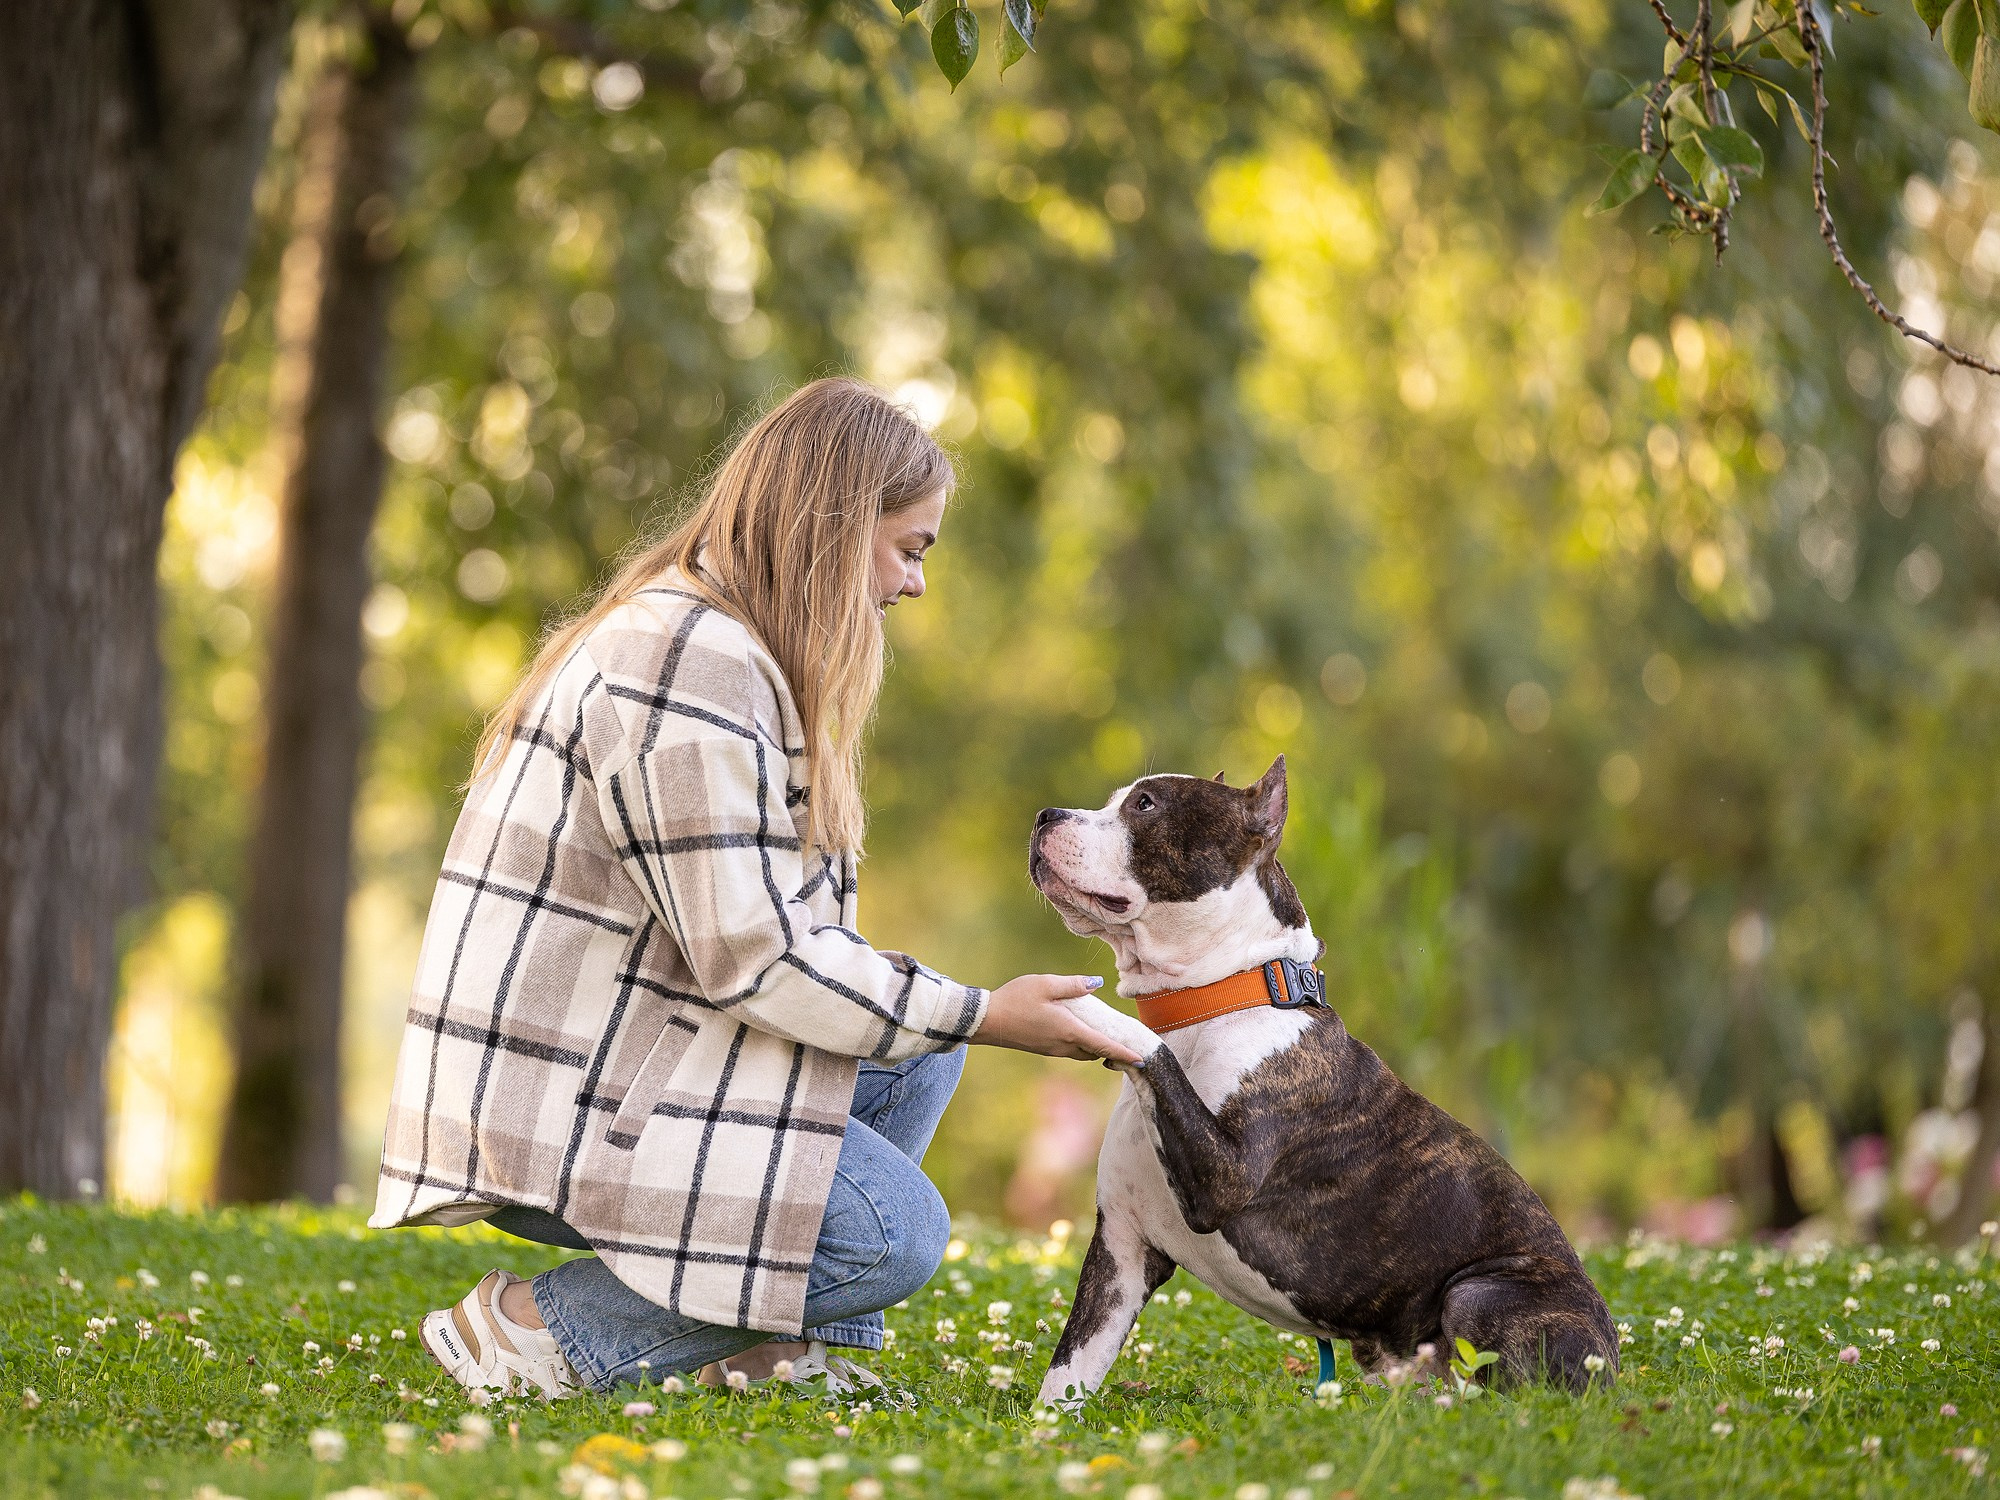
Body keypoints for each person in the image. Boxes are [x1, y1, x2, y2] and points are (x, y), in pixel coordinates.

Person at [367, 376, 1138, 1399]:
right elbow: (756, 960)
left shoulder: (743, 656)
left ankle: (766, 1347)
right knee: (887, 1234)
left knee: (917, 1060)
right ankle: (531, 1330)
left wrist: (957, 1019)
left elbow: (785, 943)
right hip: (553, 1101)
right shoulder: (683, 662)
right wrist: (989, 1014)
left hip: (626, 1063)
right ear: (834, 523)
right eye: (910, 548)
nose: (913, 585)